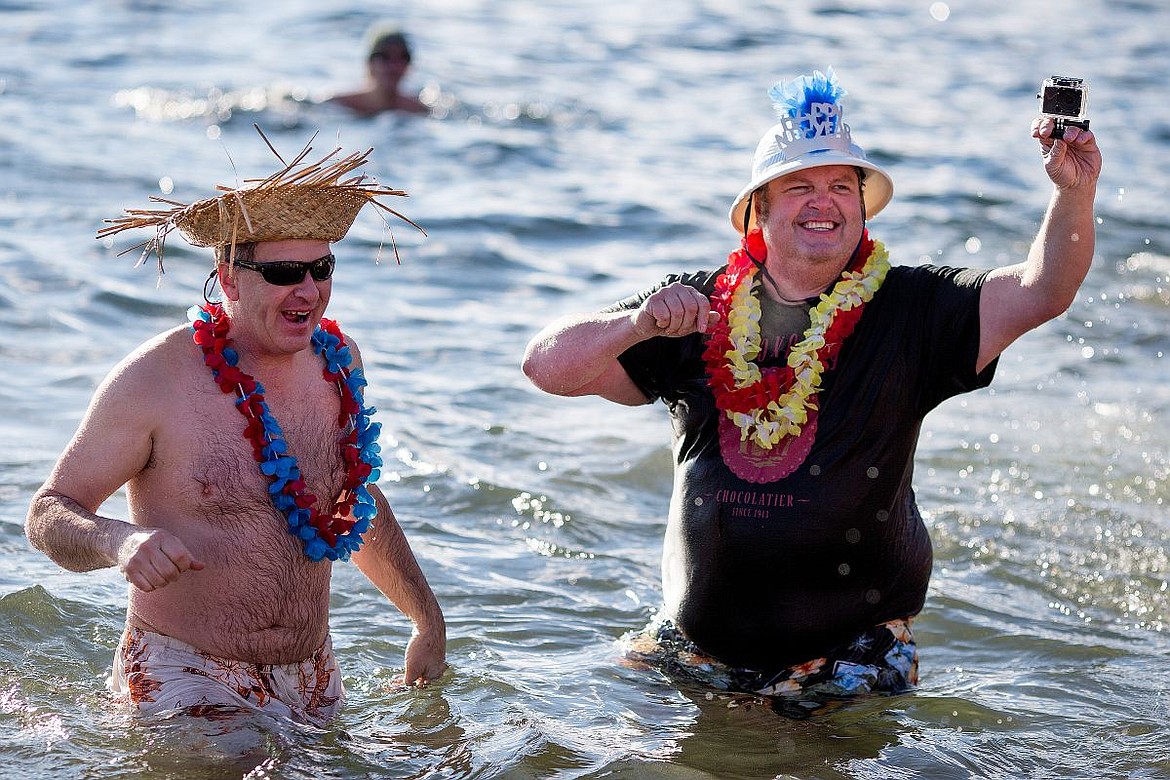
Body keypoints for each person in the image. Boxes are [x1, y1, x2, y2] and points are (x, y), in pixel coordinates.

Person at [522, 68, 1101, 707]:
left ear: (861, 206)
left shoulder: (908, 306)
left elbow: (1045, 290)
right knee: (575, 734)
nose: (823, 201)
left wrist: (1074, 193)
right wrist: (634, 324)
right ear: (758, 213)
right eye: (800, 186)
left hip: (852, 652)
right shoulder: (696, 306)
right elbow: (546, 368)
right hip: (695, 642)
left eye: (840, 187)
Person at [25, 131, 446, 727]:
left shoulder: (339, 362)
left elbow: (351, 498)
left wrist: (425, 618)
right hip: (185, 673)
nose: (308, 290)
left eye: (321, 268)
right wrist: (119, 543)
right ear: (229, 280)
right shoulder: (157, 378)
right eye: (283, 272)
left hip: (314, 674)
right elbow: (47, 513)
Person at [327, 25, 429, 117]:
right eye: (385, 57)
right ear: (369, 63)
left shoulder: (419, 110)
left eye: (402, 57)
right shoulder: (337, 104)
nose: (393, 66)